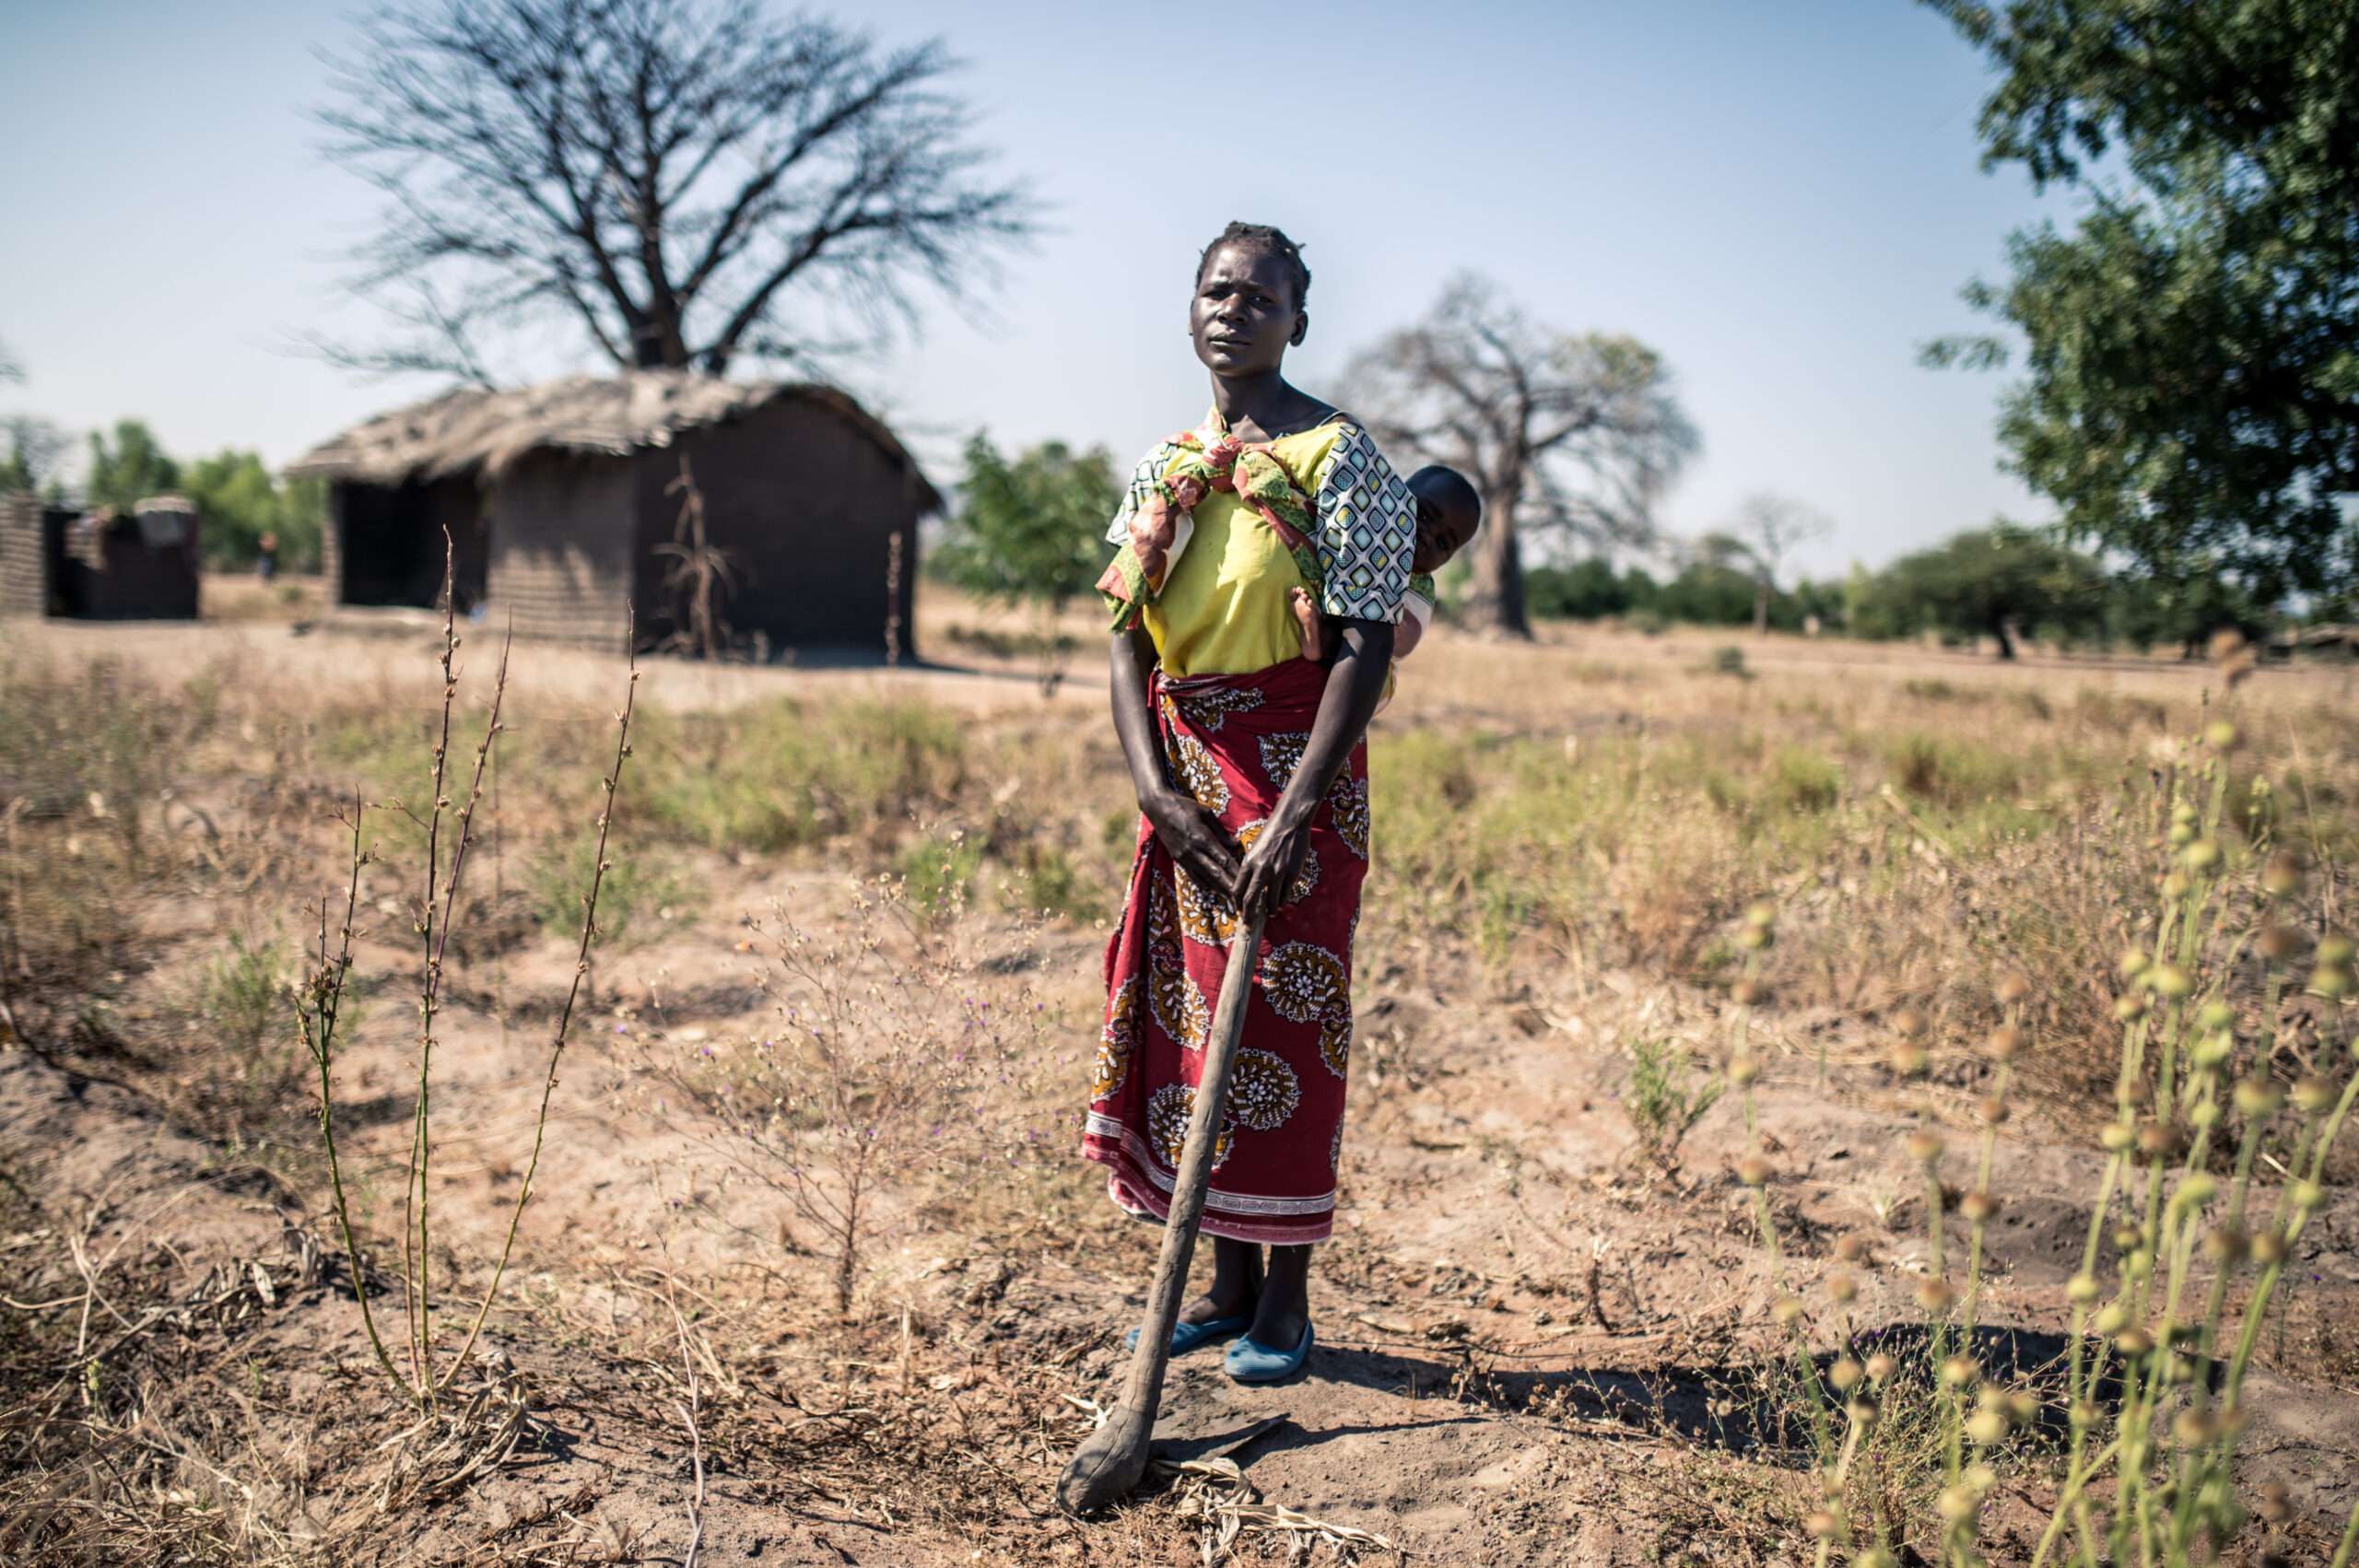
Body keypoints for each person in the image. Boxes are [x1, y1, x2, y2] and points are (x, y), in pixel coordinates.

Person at [1083, 220, 1418, 1385]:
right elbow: (1126, 638)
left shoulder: (1340, 457)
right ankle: (1218, 1289)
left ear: (1296, 322)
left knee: (1284, 1020)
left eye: (1258, 295)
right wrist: (1156, 793)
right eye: (1215, 291)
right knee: (1192, 1022)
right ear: (1190, 309)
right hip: (1184, 769)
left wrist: (1295, 810)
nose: (1232, 308)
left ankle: (1285, 1299)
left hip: (1298, 774)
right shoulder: (1163, 464)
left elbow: (1365, 649)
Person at [1287, 464, 1481, 685]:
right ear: (1394, 493)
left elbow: (1403, 640)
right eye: (1424, 515)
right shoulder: (1365, 517)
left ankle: (1320, 638)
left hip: (1363, 662)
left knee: (1371, 633)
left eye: (1442, 542)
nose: (1427, 537)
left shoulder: (1419, 587)